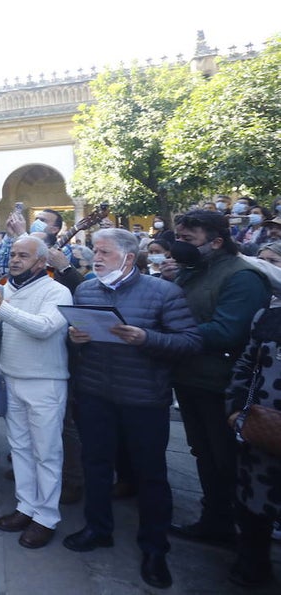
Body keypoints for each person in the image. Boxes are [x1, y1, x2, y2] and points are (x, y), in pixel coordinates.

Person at [63, 228, 202, 590]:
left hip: (143, 398)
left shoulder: (163, 292)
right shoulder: (87, 289)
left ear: (127, 257)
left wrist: (146, 337)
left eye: (104, 252)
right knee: (96, 464)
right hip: (94, 393)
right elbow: (77, 335)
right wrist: (74, 337)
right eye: (95, 250)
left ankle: (154, 548)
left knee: (150, 475)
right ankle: (97, 528)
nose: (96, 257)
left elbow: (190, 341)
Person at [160, 210, 269, 548]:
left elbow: (228, 330)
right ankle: (215, 520)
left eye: (188, 239)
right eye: (178, 238)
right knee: (204, 453)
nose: (180, 245)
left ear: (217, 241)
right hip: (190, 377)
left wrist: (167, 333)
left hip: (221, 385)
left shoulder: (242, 277)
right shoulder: (193, 271)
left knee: (225, 458)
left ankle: (243, 533)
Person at [0, 235, 71, 549]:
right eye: (13, 254)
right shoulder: (4, 289)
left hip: (45, 382)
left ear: (41, 262)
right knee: (20, 448)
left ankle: (46, 517)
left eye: (24, 256)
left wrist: (1, 308)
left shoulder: (57, 291)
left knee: (46, 452)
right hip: (12, 379)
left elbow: (44, 327)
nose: (15, 260)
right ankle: (26, 506)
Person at [225, 252, 281, 587]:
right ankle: (252, 567)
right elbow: (245, 366)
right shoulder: (269, 316)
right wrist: (235, 410)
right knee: (255, 506)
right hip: (261, 429)